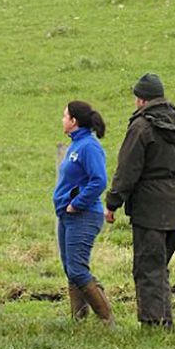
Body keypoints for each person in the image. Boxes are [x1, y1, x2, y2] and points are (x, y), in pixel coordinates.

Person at [104, 73, 175, 331]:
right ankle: (164, 321)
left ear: (140, 99)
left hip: (149, 206)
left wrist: (113, 202)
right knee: (160, 265)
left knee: (148, 267)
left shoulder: (141, 127)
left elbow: (127, 170)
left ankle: (155, 324)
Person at [53, 101, 114, 326]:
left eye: (64, 116)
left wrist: (77, 204)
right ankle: (78, 320)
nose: (62, 120)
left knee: (78, 269)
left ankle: (107, 319)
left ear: (74, 121)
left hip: (83, 215)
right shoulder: (76, 145)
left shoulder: (89, 147)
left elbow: (99, 180)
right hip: (67, 216)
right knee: (71, 269)